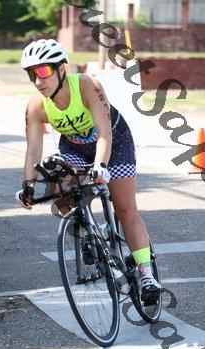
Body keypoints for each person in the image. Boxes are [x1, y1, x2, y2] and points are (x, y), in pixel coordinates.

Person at [17, 38, 161, 304]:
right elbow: (33, 151)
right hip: (75, 147)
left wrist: (101, 166)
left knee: (125, 208)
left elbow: (104, 131)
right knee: (57, 189)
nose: (38, 80)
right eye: (31, 74)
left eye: (43, 71)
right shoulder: (36, 106)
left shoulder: (87, 85)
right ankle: (87, 232)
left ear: (61, 69)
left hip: (114, 142)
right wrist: (28, 184)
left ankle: (146, 273)